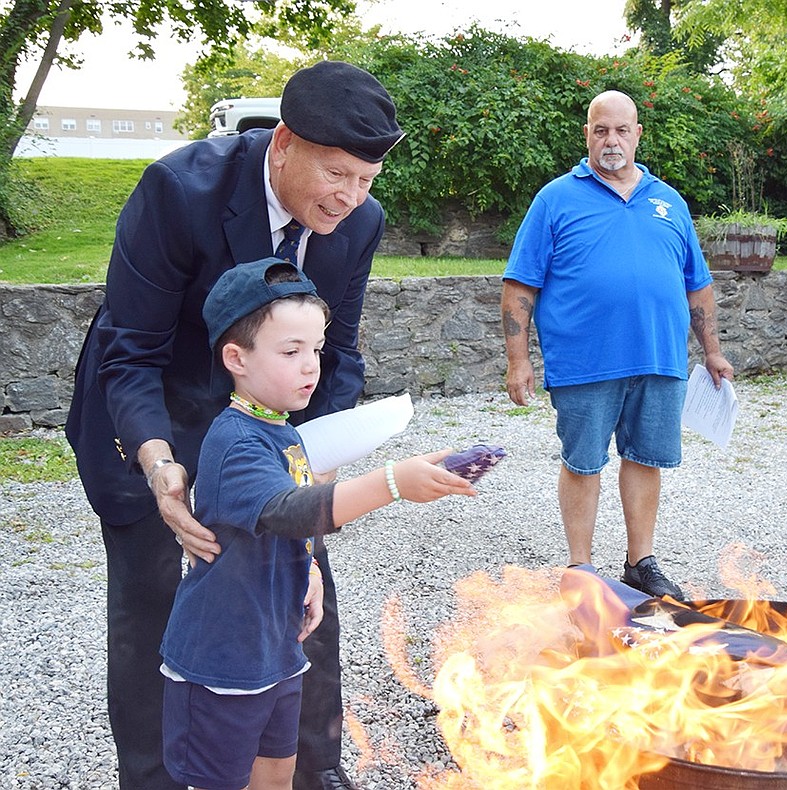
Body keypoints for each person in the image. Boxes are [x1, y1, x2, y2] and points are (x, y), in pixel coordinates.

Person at [65, 60, 404, 790]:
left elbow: (337, 352)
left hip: (267, 429)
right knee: (158, 605)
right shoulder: (177, 191)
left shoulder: (359, 222)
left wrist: (315, 467)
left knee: (302, 591)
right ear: (283, 143)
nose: (349, 198)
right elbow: (131, 354)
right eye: (336, 174)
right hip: (158, 412)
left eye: (367, 179)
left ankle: (316, 770)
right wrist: (162, 471)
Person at [160, 258, 474, 790]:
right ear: (235, 358)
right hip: (221, 661)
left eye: (317, 349)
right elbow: (288, 510)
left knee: (278, 773)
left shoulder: (280, 431)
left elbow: (284, 524)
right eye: (291, 352)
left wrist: (307, 571)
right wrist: (392, 483)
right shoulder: (236, 441)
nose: (312, 367)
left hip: (276, 647)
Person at [500, 90, 734, 602]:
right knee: (583, 462)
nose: (611, 140)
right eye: (600, 130)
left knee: (645, 458)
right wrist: (518, 361)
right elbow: (520, 286)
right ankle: (581, 569)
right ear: (587, 134)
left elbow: (697, 283)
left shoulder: (668, 201)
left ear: (637, 135)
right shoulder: (555, 199)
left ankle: (640, 562)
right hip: (584, 361)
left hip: (660, 358)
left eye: (621, 130)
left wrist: (712, 350)